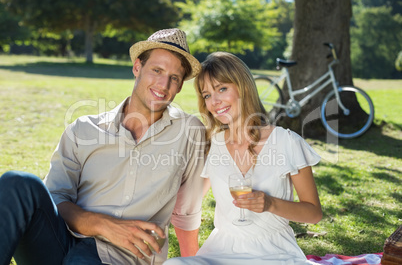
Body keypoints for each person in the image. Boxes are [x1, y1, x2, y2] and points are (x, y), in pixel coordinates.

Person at [0, 28, 206, 265]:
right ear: (137, 68)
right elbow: (55, 197)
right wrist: (104, 225)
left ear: (180, 86)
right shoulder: (84, 129)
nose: (163, 84)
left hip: (119, 258)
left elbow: (188, 210)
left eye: (174, 78)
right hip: (58, 242)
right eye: (156, 70)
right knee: (18, 183)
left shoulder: (189, 133)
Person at [164, 52, 322, 265]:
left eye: (222, 89)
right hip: (221, 251)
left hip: (274, 253)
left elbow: (313, 214)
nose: (215, 101)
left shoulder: (287, 141)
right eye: (207, 95)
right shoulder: (213, 144)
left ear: (243, 87)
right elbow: (189, 199)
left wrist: (270, 203)